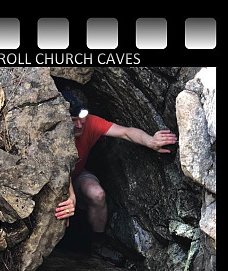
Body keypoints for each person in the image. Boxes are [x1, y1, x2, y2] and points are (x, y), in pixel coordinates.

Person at [53, 87, 177, 259]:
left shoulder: (90, 123)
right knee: (61, 205)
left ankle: (98, 243)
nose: (80, 125)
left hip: (77, 175)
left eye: (82, 119)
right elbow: (58, 167)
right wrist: (70, 196)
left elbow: (126, 132)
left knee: (97, 194)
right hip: (54, 179)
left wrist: (151, 141)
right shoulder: (52, 131)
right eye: (73, 120)